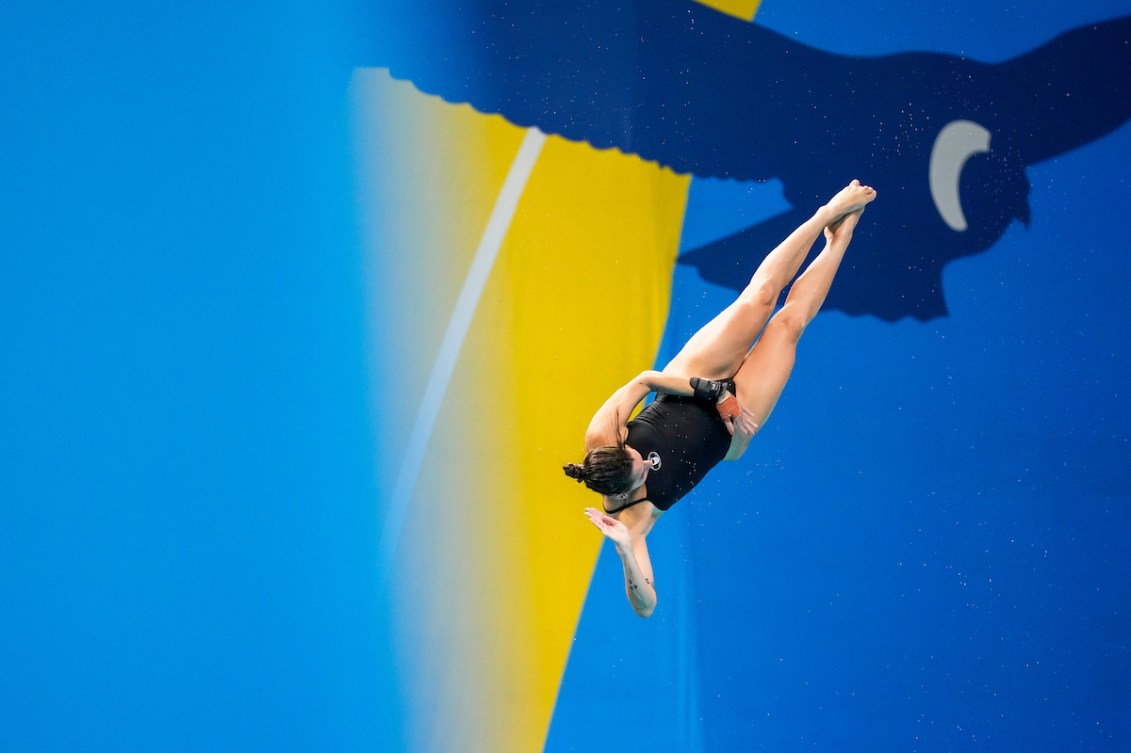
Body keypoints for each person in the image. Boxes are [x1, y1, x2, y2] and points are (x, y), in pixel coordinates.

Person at [564, 180, 877, 617]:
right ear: (627, 490)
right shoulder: (630, 521)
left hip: (693, 378)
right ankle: (840, 239)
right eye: (642, 471)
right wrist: (624, 553)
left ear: (617, 446)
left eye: (635, 453)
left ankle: (825, 213)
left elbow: (645, 378)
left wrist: (711, 391)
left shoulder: (602, 431)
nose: (646, 461)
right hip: (731, 430)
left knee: (761, 298)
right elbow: (646, 606)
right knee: (788, 325)